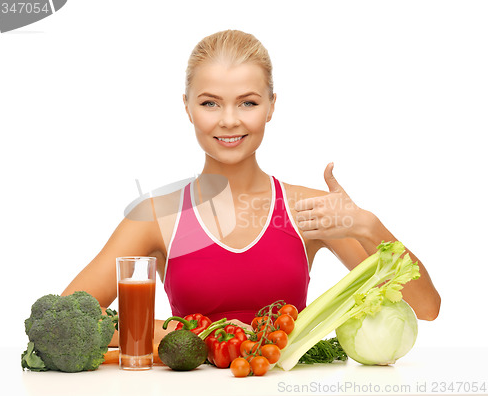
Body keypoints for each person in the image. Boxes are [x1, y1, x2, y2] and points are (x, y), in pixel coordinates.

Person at [62, 30, 441, 346]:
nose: (229, 120)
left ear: (271, 107)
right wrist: (171, 331)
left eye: (248, 103)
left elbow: (425, 307)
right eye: (210, 103)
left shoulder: (308, 209)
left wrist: (367, 226)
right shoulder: (157, 217)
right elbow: (67, 315)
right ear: (188, 107)